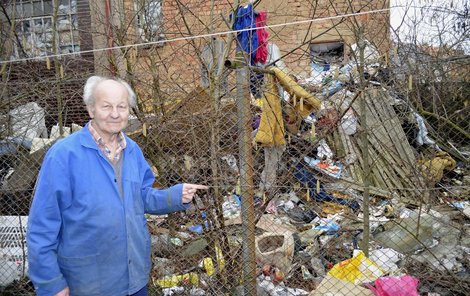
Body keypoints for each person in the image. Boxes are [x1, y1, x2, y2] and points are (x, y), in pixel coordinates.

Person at [26, 76, 208, 296]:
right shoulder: (63, 155)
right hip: (87, 284)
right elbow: (42, 226)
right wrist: (51, 283)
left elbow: (140, 197)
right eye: (106, 106)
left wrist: (177, 195)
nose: (115, 113)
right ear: (91, 109)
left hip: (134, 278)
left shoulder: (132, 151)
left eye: (121, 106)